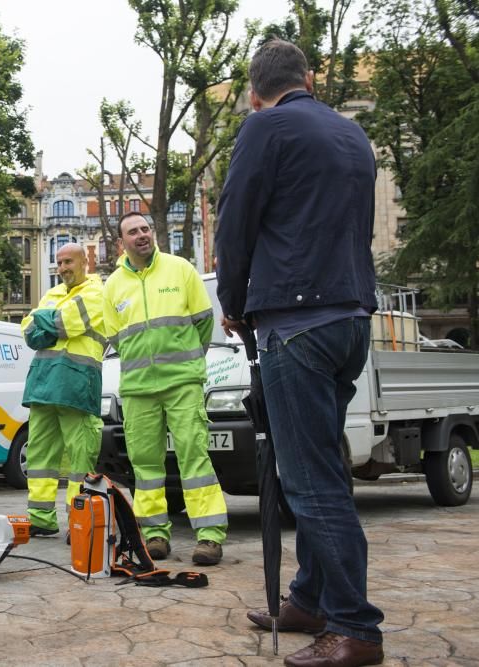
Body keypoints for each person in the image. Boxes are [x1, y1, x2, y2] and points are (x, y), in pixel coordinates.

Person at [216, 39, 383, 667]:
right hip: (349, 319)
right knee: (324, 468)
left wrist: (233, 301)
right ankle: (310, 598)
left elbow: (236, 223)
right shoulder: (351, 135)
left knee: (310, 481)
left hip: (297, 322)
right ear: (308, 78)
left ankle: (355, 628)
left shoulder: (264, 128)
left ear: (256, 93)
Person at [103, 212, 228, 566]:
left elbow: (203, 324)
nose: (142, 235)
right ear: (121, 242)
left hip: (182, 382)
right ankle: (154, 535)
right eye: (133, 231)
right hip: (138, 387)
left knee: (194, 457)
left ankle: (209, 537)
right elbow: (116, 338)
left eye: (145, 229)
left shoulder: (181, 269)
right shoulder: (113, 285)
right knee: (145, 465)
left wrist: (187, 364)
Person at [20, 243, 106, 537]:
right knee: (40, 456)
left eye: (69, 261)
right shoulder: (52, 294)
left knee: (80, 457)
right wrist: (49, 323)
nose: (63, 267)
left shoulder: (97, 293)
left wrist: (46, 321)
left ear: (85, 262)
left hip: (77, 384)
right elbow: (29, 332)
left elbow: (65, 322)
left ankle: (78, 520)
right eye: (59, 262)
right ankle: (40, 518)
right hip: (44, 384)